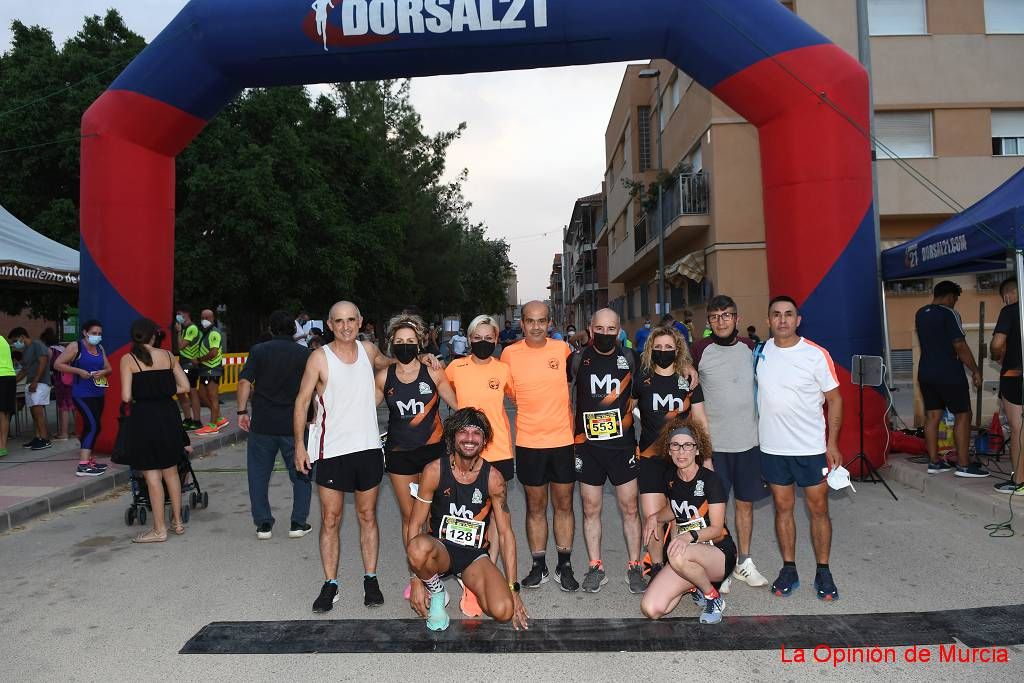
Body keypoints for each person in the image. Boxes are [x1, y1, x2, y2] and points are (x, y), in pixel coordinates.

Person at [294, 301, 408, 613]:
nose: (346, 326)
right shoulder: (319, 357)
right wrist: (299, 446)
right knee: (330, 519)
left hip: (369, 449)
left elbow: (395, 364)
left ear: (360, 322)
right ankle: (330, 584)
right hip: (330, 451)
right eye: (339, 321)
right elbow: (301, 401)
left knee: (367, 516)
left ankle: (371, 579)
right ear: (329, 324)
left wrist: (421, 357)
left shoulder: (369, 352)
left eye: (351, 320)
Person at [406, 408, 528, 632]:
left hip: (473, 555)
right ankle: (436, 591)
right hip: (440, 549)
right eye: (463, 432)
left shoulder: (494, 479)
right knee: (417, 547)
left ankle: (470, 584)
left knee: (503, 610)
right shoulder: (434, 470)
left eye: (477, 433)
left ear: (484, 441)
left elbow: (506, 534)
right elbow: (415, 523)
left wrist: (514, 588)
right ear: (453, 437)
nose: (470, 438)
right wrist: (416, 579)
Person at [755, 295, 842, 601]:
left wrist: (831, 443)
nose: (782, 320)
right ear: (768, 321)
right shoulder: (759, 352)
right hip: (773, 449)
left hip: (810, 448)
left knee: (819, 509)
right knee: (783, 509)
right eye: (776, 315)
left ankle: (823, 570)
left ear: (798, 320)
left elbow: (835, 399)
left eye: (788, 314)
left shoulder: (816, 355)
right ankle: (789, 567)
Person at [690, 295, 770, 592]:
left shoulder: (753, 349)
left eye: (726, 315)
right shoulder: (699, 351)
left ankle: (744, 563)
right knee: (714, 510)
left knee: (745, 506)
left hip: (749, 444)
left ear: (737, 319)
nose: (721, 321)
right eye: (715, 317)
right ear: (708, 322)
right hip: (715, 447)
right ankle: (720, 564)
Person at [375, 313, 457, 599]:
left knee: (433, 515)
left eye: (410, 341)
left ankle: (435, 569)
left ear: (420, 343)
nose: (405, 345)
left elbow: (457, 405)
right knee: (410, 517)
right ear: (391, 344)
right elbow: (360, 408)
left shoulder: (433, 371)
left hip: (433, 453)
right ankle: (418, 576)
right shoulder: (384, 376)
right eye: (400, 341)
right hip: (399, 455)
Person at [501, 301, 579, 591]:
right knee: (535, 507)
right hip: (529, 442)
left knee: (564, 505)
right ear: (522, 324)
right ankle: (539, 567)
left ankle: (564, 564)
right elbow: (509, 393)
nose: (536, 326)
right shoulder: (509, 354)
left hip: (562, 441)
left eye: (542, 321)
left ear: (550, 324)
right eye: (530, 321)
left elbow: (583, 376)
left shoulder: (563, 351)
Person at [568, 308, 644, 594]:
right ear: (590, 328)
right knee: (591, 508)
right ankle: (595, 566)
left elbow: (644, 390)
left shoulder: (631, 358)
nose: (604, 334)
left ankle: (635, 566)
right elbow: (564, 394)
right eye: (599, 328)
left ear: (619, 329)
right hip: (587, 448)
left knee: (629, 508)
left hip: (622, 445)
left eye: (610, 329)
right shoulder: (577, 359)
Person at [444, 314, 514, 616]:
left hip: (498, 452)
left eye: (489, 337)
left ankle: (490, 571)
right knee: (469, 516)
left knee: (496, 518)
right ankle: (468, 573)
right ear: (468, 339)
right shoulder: (455, 367)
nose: (483, 342)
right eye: (477, 337)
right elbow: (436, 383)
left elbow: (519, 397)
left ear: (496, 339)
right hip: (465, 452)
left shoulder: (504, 369)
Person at [639, 420, 734, 624]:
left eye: (688, 445)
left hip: (718, 553)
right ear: (669, 450)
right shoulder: (671, 477)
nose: (681, 452)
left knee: (678, 553)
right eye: (675, 445)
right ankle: (695, 583)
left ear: (698, 449)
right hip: (686, 555)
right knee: (651, 609)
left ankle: (712, 596)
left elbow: (717, 529)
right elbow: (675, 508)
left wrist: (687, 536)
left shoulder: (711, 480)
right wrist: (654, 517)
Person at [634, 324, 707, 580]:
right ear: (650, 350)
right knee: (653, 517)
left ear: (678, 350)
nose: (663, 351)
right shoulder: (640, 379)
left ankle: (677, 566)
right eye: (658, 347)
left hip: (683, 460)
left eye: (668, 347)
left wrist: (706, 459)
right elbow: (626, 413)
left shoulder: (688, 380)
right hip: (651, 459)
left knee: (680, 517)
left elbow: (700, 421)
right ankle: (655, 567)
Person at [237, 309, 313, 541]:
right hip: (294, 425)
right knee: (301, 474)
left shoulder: (259, 351)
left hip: (263, 423)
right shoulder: (304, 354)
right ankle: (298, 523)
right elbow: (313, 388)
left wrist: (241, 411)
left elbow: (244, 382)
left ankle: (263, 525)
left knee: (258, 476)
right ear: (293, 330)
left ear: (270, 329)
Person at [120, 318, 191, 543]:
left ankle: (159, 530)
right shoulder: (168, 356)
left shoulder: (128, 359)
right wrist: (165, 389)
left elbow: (125, 396)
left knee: (152, 475)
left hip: (145, 417)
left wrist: (146, 392)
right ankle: (177, 522)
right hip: (168, 415)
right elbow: (186, 387)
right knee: (171, 470)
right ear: (153, 336)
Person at [915, 280, 989, 477]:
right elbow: (960, 346)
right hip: (948, 373)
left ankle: (934, 462)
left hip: (925, 373)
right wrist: (975, 370)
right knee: (963, 414)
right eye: (955, 299)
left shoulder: (921, 313)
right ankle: (964, 465)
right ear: (949, 297)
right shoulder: (950, 313)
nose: (955, 303)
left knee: (932, 416)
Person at [54, 321, 112, 477]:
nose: (97, 336)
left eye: (100, 333)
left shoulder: (100, 348)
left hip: (98, 393)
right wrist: (78, 371)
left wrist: (103, 372)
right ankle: (83, 465)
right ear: (85, 333)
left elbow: (109, 368)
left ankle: (89, 459)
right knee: (93, 426)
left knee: (92, 426)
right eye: (94, 333)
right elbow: (58, 364)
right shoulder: (75, 346)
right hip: (81, 393)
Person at [990, 277, 1024, 494]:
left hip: (1015, 374)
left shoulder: (1010, 311)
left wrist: (996, 355)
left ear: (1008, 294)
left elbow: (997, 343)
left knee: (1018, 426)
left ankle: (1020, 481)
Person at [9, 327, 52, 451]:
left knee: (38, 411)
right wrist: (13, 382)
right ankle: (37, 437)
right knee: (33, 412)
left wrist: (35, 381)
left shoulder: (37, 345)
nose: (14, 344)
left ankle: (44, 439)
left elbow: (43, 361)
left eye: (15, 340)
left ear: (22, 337)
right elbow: (24, 369)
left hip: (40, 383)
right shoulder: (26, 350)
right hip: (31, 383)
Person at [194, 309, 228, 436]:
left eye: (207, 317)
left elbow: (213, 352)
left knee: (213, 396)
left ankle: (213, 425)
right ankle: (218, 417)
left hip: (212, 369)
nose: (204, 320)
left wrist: (199, 360)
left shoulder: (214, 333)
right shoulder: (205, 332)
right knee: (202, 395)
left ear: (213, 318)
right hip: (204, 369)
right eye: (202, 317)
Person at [40, 329, 73, 441]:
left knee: (63, 407)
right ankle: (76, 430)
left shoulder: (50, 350)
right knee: (72, 406)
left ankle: (63, 433)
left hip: (60, 380)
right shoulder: (64, 348)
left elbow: (48, 365)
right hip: (70, 378)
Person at [175, 305, 203, 430]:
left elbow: (180, 346)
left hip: (191, 366)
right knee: (180, 391)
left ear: (186, 314)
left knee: (192, 391)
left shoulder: (192, 328)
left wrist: (179, 331)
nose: (178, 316)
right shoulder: (185, 328)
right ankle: (187, 418)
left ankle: (197, 421)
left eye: (179, 314)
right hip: (183, 364)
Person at [0, 333, 15, 458]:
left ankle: (2, 446)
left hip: (1, 376)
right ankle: (3, 446)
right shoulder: (2, 339)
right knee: (4, 413)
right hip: (9, 376)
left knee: (2, 413)